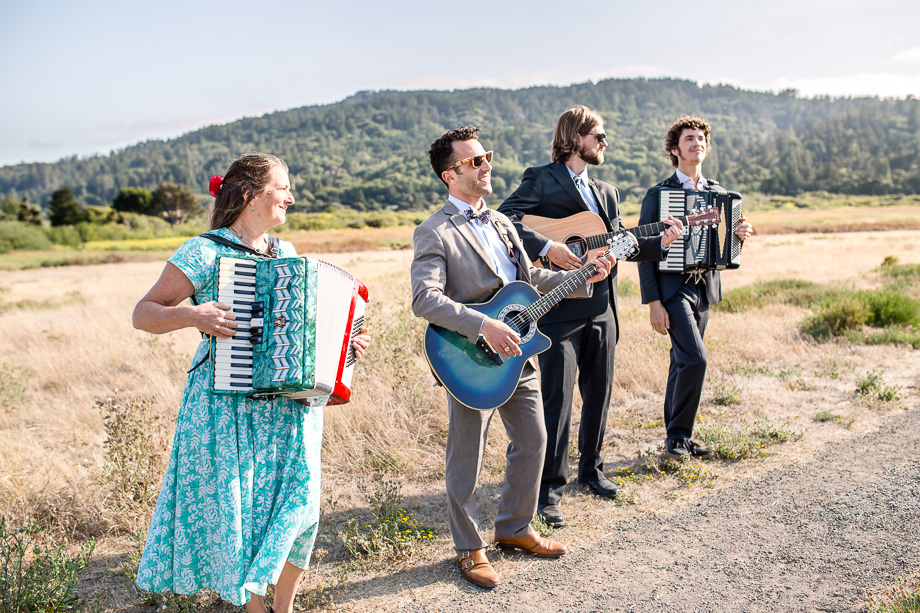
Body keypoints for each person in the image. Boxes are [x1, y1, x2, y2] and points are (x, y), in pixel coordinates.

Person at [132, 153, 371, 613]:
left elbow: (303, 329)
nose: (291, 196)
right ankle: (257, 609)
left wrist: (343, 349)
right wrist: (191, 314)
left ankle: (282, 606)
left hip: (290, 403)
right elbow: (144, 313)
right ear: (248, 195)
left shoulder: (286, 253)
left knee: (302, 507)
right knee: (244, 513)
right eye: (283, 187)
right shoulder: (203, 251)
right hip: (228, 404)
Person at [411, 126, 613, 588]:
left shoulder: (502, 223)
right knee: (467, 457)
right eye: (475, 161)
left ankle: (515, 527)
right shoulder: (434, 230)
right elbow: (425, 299)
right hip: (471, 360)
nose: (486, 166)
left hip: (520, 354)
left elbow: (529, 283)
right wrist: (484, 324)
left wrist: (584, 275)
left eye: (487, 157)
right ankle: (469, 548)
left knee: (535, 440)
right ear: (450, 175)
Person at [498, 106, 683, 528]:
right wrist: (548, 247)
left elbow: (621, 245)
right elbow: (505, 220)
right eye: (598, 135)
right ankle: (548, 490)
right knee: (557, 401)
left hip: (603, 307)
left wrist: (663, 240)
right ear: (575, 136)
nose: (604, 143)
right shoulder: (541, 177)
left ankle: (592, 470)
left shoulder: (609, 192)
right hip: (559, 309)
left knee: (599, 393)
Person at [637, 115, 754, 459]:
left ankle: (678, 438)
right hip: (672, 289)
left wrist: (739, 238)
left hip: (704, 289)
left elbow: (727, 251)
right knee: (696, 360)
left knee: (682, 361)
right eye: (689, 139)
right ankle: (678, 437)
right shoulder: (659, 194)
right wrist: (653, 303)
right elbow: (644, 252)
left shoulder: (719, 194)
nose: (697, 143)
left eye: (701, 139)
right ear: (675, 150)